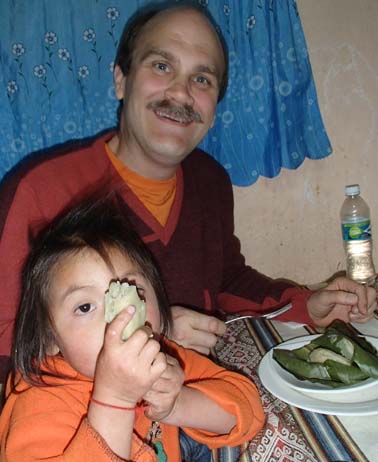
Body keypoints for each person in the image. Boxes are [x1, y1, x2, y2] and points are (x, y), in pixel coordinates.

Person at [0, 1, 376, 383]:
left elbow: (226, 281)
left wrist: (306, 304)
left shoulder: (210, 180)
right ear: (121, 80)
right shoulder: (39, 192)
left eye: (202, 80)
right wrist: (150, 334)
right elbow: (5, 347)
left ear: (213, 109)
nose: (180, 93)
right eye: (162, 66)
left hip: (193, 398)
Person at [0, 197, 265, 462]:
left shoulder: (163, 358)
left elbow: (246, 411)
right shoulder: (38, 404)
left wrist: (177, 404)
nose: (120, 316)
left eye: (133, 292)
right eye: (85, 306)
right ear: (50, 339)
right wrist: (115, 400)